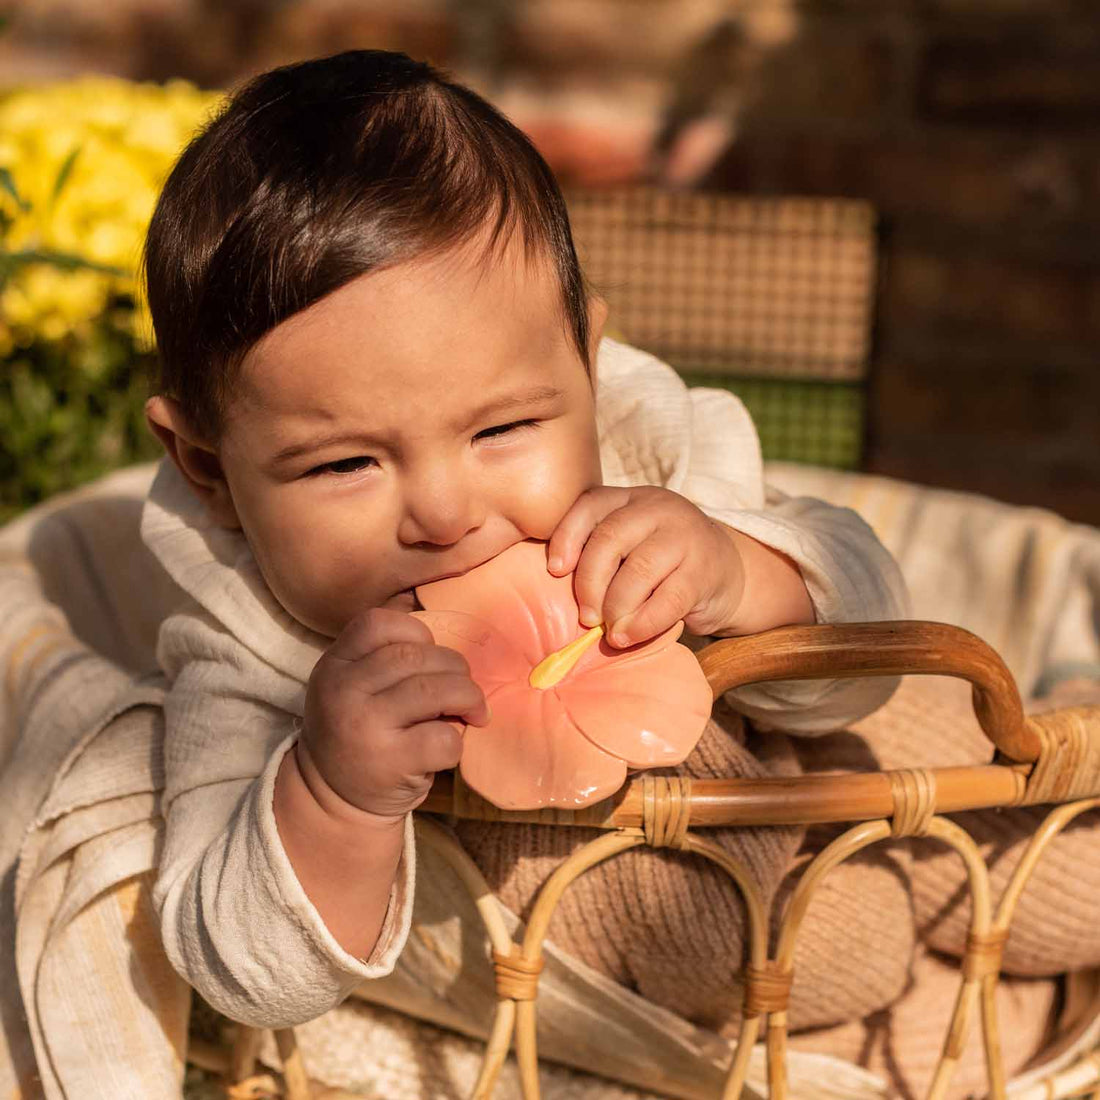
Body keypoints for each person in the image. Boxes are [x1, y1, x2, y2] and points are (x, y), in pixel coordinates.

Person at [138, 48, 908, 1030]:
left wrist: (738, 570)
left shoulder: (650, 464)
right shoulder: (249, 654)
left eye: (499, 430)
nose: (445, 513)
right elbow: (235, 971)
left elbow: (877, 633)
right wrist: (331, 795)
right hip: (614, 1019)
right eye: (344, 465)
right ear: (208, 469)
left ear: (585, 365)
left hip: (834, 820)